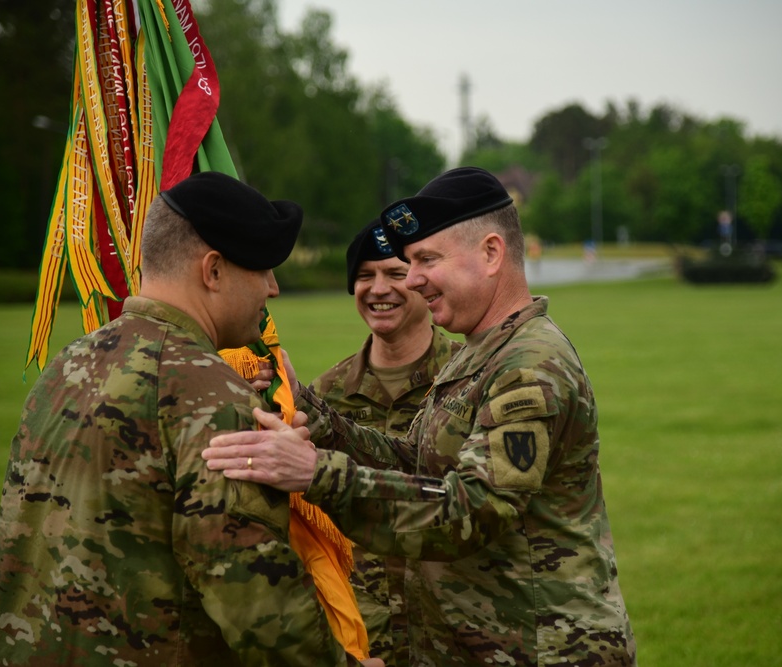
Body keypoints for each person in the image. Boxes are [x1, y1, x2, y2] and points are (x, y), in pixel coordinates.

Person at [204, 166, 638, 666]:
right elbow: (418, 466)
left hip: (543, 650)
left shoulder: (530, 365)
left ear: (492, 254)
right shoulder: (481, 352)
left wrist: (315, 473)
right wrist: (311, 413)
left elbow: (471, 510)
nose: (411, 280)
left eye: (426, 259)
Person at [0, 171, 382, 667]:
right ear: (213, 271)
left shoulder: (65, 366)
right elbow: (253, 597)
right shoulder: (208, 392)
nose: (273, 289)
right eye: (263, 270)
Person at [309, 219, 462, 666]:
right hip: (366, 640)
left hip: (456, 636)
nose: (379, 289)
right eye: (364, 275)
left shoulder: (467, 378)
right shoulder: (325, 397)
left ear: (420, 281)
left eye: (395, 274)